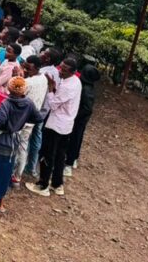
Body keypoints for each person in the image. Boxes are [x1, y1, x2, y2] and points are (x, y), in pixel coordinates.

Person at [0, 76, 45, 213]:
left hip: (1, 140)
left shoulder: (7, 103)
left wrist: (9, 127)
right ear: (24, 90)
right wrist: (21, 123)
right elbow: (38, 118)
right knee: (6, 171)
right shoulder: (29, 103)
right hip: (14, 141)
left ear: (9, 88)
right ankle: (0, 203)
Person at [27, 57, 81, 197]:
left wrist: (51, 89)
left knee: (47, 154)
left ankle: (43, 185)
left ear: (72, 72)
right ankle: (57, 184)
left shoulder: (68, 86)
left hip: (56, 125)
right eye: (60, 67)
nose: (60, 71)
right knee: (60, 155)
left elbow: (53, 104)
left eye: (64, 70)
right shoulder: (75, 81)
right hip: (67, 125)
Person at [13, 55, 48, 184]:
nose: (26, 69)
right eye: (25, 66)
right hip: (32, 118)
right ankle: (17, 176)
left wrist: (17, 77)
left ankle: (10, 172)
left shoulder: (28, 82)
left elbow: (15, 94)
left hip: (20, 117)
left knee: (14, 145)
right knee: (23, 146)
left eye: (28, 67)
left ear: (36, 67)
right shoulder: (43, 78)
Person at [64, 64, 100, 176]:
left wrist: (74, 116)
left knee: (74, 140)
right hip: (80, 120)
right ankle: (74, 158)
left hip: (78, 120)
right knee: (77, 139)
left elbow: (87, 109)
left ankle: (69, 164)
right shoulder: (86, 86)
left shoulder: (86, 90)